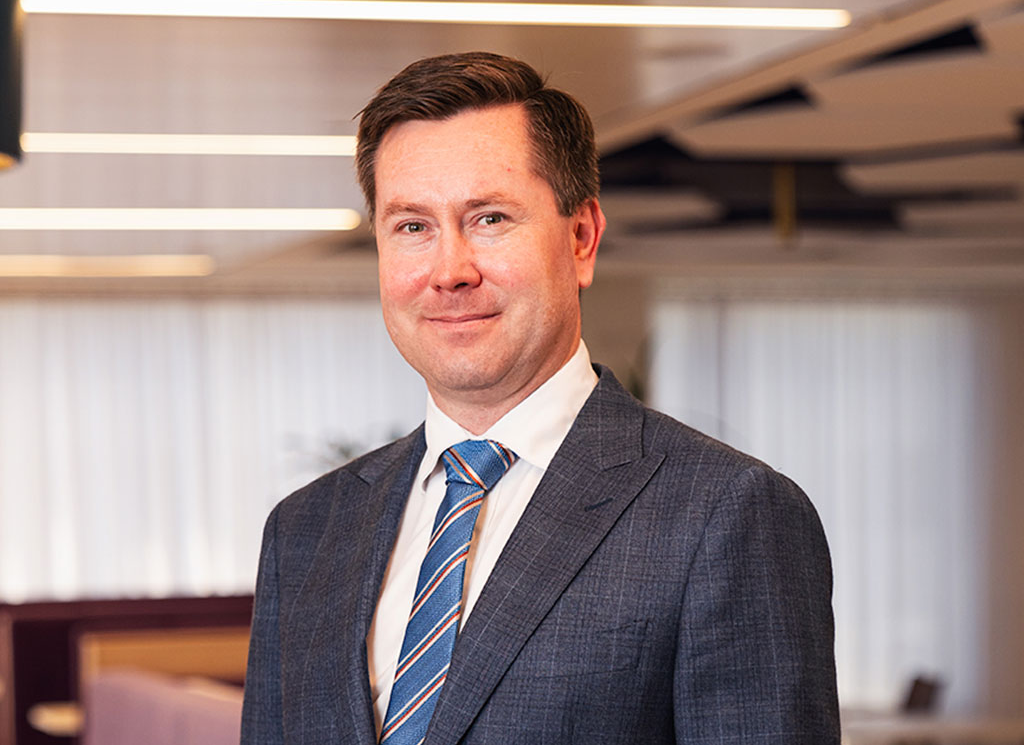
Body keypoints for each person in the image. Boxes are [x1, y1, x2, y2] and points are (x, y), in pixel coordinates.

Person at [240, 51, 839, 745]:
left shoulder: (725, 513)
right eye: (412, 227)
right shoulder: (307, 531)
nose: (449, 271)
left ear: (581, 238)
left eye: (490, 219)